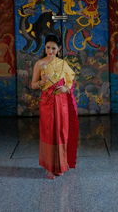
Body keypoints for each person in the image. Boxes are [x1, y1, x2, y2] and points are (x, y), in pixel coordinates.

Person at [31, 34, 79, 179]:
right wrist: (41, 81)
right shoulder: (39, 64)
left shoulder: (63, 64)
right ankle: (49, 167)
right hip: (47, 102)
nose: (50, 51)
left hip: (62, 102)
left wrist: (66, 88)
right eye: (47, 47)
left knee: (61, 132)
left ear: (58, 49)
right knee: (49, 132)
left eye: (53, 48)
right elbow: (33, 85)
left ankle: (61, 164)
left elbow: (70, 80)